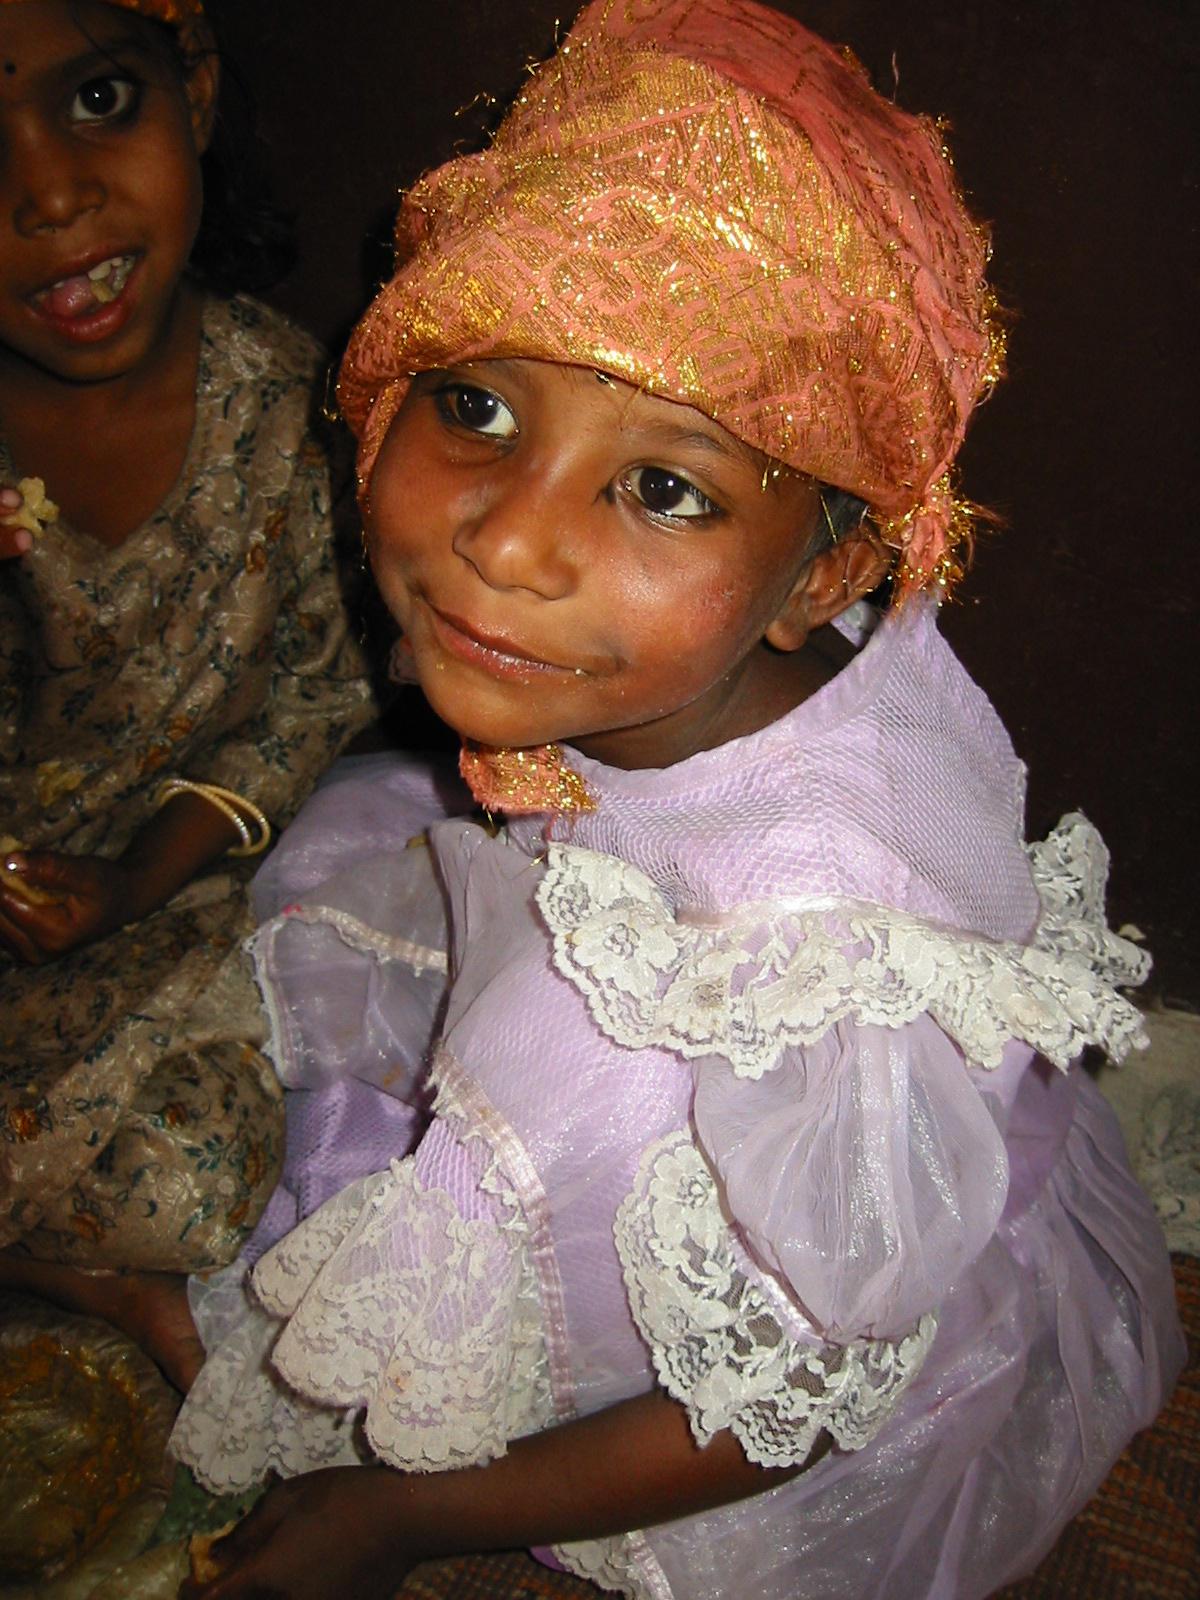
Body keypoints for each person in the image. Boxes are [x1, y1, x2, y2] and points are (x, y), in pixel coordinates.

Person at [169, 1, 1184, 1595]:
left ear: (826, 575)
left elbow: (791, 1410)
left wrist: (404, 1514)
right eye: (477, 406)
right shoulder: (644, 661)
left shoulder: (829, 938)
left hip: (795, 1366)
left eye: (662, 486)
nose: (508, 542)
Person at [0, 0, 380, 1358]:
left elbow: (309, 705)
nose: (50, 196)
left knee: (197, 1172)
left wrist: (129, 883)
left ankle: (75, 1266)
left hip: (154, 909)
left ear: (196, 96)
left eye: (98, 102)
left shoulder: (291, 418)